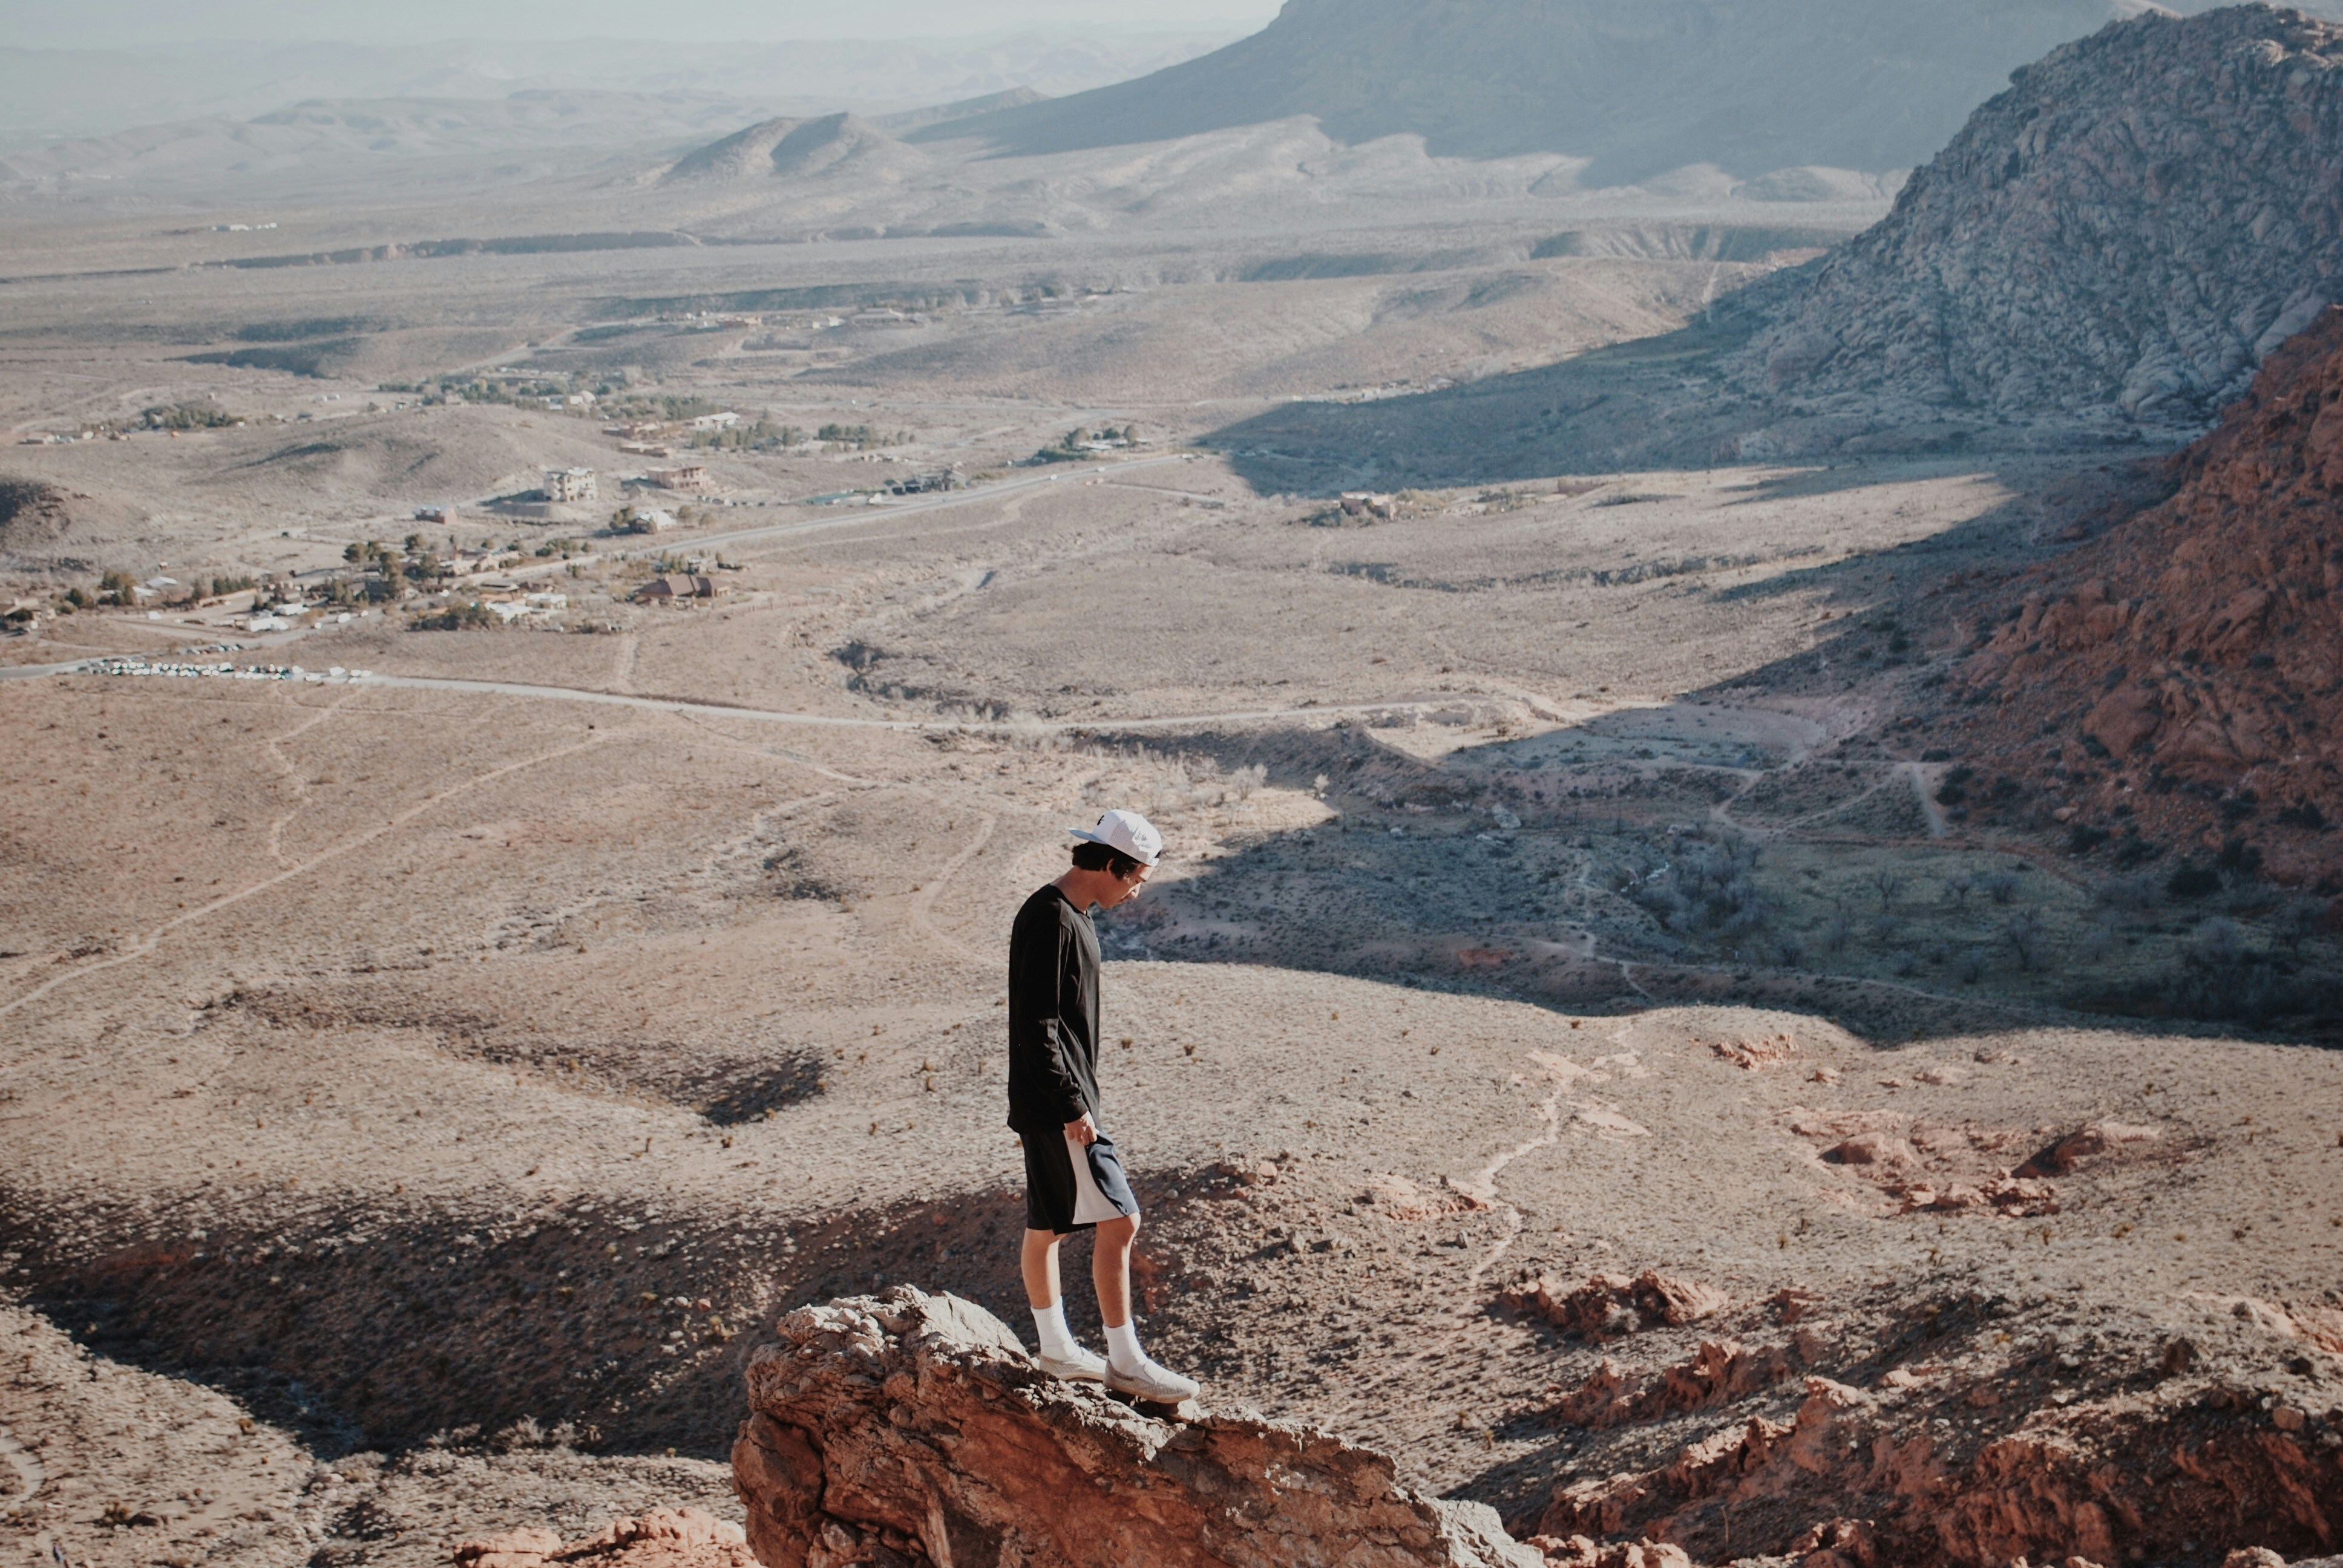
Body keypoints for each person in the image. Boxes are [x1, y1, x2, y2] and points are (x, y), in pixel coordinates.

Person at [1006, 808, 1201, 1404]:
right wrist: (1073, 1105)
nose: (1138, 889)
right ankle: (1125, 1362)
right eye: (1136, 876)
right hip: (1058, 1103)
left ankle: (1057, 1350)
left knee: (1047, 1227)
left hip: (1045, 1099)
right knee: (1121, 1220)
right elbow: (1037, 1025)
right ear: (1111, 865)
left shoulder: (1065, 914)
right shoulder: (1053, 920)